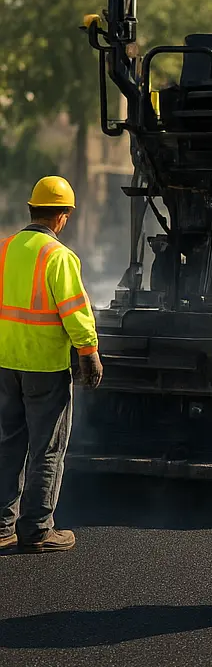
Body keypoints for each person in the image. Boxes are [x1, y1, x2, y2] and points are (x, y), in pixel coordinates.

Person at [0, 176, 103, 554]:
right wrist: (88, 352)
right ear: (62, 216)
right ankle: (37, 529)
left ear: (31, 209)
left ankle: (2, 526)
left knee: (8, 444)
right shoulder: (58, 256)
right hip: (44, 367)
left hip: (5, 363)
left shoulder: (5, 249)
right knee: (47, 447)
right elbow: (75, 311)